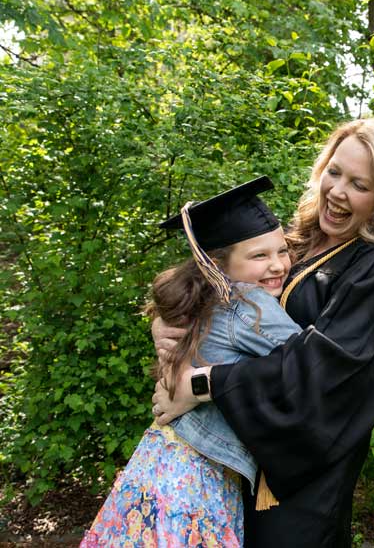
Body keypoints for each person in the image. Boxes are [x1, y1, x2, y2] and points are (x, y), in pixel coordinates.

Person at [152, 117, 374, 548]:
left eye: (360, 185)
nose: (338, 191)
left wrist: (201, 383)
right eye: (335, 172)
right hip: (243, 462)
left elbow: (327, 368)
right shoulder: (302, 242)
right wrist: (166, 326)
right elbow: (223, 290)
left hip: (302, 481)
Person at [80, 177, 302, 547]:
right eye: (259, 256)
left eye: (282, 251)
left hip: (159, 462)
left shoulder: (199, 297)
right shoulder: (248, 302)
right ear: (218, 264)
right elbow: (311, 363)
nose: (278, 265)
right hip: (197, 477)